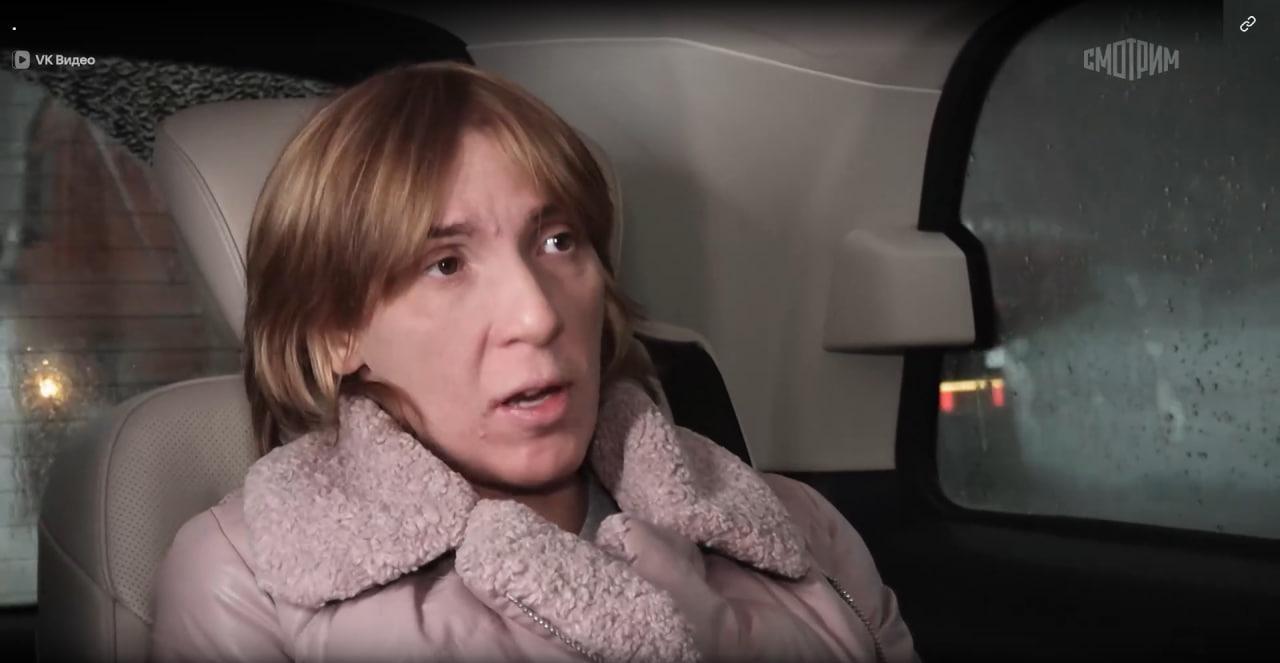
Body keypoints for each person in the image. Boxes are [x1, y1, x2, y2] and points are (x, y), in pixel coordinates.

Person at [148, 60, 918, 663]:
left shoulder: (793, 525)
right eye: (445, 264)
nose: (538, 314)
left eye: (558, 241)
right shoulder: (245, 584)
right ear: (335, 334)